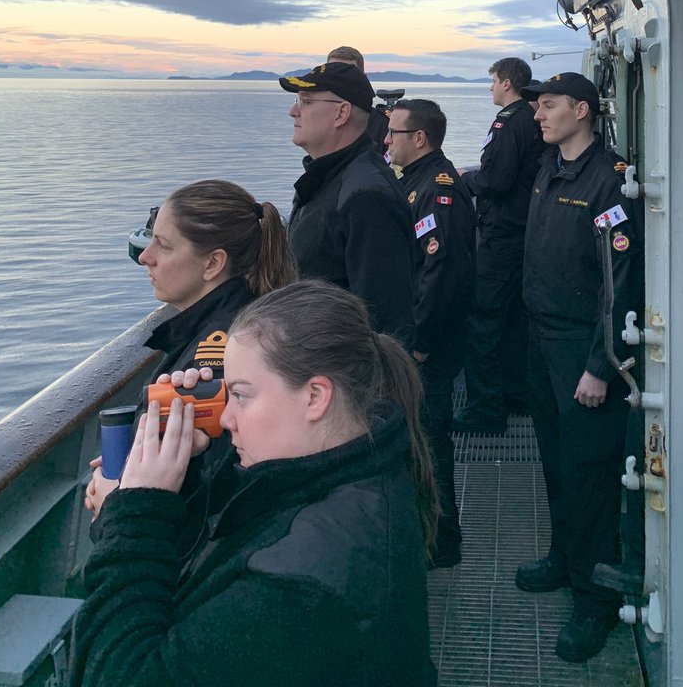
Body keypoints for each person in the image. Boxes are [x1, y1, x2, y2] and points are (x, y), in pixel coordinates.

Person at [69, 281, 439, 687]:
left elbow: (120, 674)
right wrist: (186, 474)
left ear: (315, 397)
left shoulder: (304, 586)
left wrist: (134, 517)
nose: (227, 419)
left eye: (241, 396)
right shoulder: (355, 469)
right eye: (225, 394)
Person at [515, 72, 642, 665]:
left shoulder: (608, 181)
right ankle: (565, 560)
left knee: (589, 472)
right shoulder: (550, 167)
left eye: (548, 105)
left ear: (582, 111)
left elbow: (621, 282)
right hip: (540, 342)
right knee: (555, 461)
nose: (538, 114)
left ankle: (595, 599)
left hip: (581, 351)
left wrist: (601, 364)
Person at [84, 178, 297, 520]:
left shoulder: (214, 360)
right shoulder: (245, 322)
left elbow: (208, 497)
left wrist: (116, 501)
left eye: (164, 246)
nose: (146, 258)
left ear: (212, 264)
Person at [385, 98, 476, 568]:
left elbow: (443, 274)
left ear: (418, 138)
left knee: (431, 443)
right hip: (422, 338)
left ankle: (443, 543)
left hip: (430, 345)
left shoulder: (438, 191)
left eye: (393, 133)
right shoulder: (414, 182)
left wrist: (420, 343)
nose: (386, 141)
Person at [280, 61, 415, 343]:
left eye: (305, 101)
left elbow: (383, 320)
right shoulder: (328, 177)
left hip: (335, 362)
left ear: (341, 113)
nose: (293, 111)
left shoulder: (367, 197)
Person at [453, 56, 544, 434]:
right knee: (515, 319)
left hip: (501, 233)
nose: (490, 87)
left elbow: (497, 179)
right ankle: (517, 394)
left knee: (484, 321)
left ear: (507, 83)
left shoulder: (508, 122)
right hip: (523, 231)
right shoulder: (532, 117)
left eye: (492, 81)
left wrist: (466, 180)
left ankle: (486, 410)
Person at [326, 43, 390, 152]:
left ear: (362, 78)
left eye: (347, 74)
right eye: (333, 73)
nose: (339, 79)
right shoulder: (318, 119)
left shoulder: (382, 125)